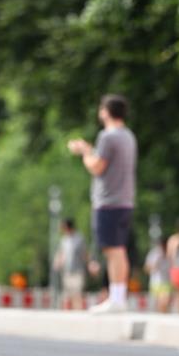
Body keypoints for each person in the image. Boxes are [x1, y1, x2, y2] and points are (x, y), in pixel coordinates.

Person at [68, 94, 137, 313]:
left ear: (106, 112)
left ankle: (116, 299)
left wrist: (85, 151)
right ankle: (119, 295)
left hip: (108, 201)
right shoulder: (128, 136)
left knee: (112, 250)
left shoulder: (107, 137)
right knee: (119, 249)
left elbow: (97, 167)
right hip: (125, 200)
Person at [53, 218, 87, 310]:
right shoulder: (64, 240)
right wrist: (57, 261)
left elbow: (84, 254)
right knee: (66, 295)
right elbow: (60, 252)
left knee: (76, 293)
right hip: (66, 271)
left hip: (77, 271)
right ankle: (66, 315)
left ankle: (78, 314)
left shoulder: (79, 239)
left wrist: (90, 264)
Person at [144, 236, 171, 313]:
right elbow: (147, 268)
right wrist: (155, 265)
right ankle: (161, 317)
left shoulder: (171, 253)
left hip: (167, 281)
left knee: (164, 301)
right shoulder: (155, 253)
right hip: (156, 281)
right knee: (159, 303)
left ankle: (163, 317)